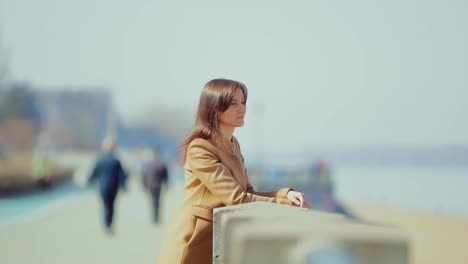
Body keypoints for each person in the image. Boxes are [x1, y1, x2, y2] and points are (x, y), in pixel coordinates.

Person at [157, 79, 310, 264]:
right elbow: (237, 198)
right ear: (214, 108)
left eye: (243, 102)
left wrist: (286, 194)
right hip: (192, 242)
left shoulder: (233, 144)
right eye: (233, 104)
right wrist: (285, 204)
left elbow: (248, 193)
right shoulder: (200, 148)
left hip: (215, 241)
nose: (242, 109)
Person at [88, 137, 128, 234]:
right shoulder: (116, 160)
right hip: (113, 187)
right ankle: (109, 224)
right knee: (112, 205)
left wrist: (89, 182)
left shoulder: (100, 160)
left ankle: (106, 224)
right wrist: (123, 186)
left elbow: (94, 173)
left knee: (105, 205)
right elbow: (122, 175)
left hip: (103, 187)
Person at [143, 148, 169, 223]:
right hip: (157, 186)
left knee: (153, 201)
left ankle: (154, 218)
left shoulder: (149, 164)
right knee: (157, 202)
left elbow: (144, 176)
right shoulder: (161, 165)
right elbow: (165, 177)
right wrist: (167, 186)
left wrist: (145, 185)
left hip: (151, 186)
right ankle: (156, 218)